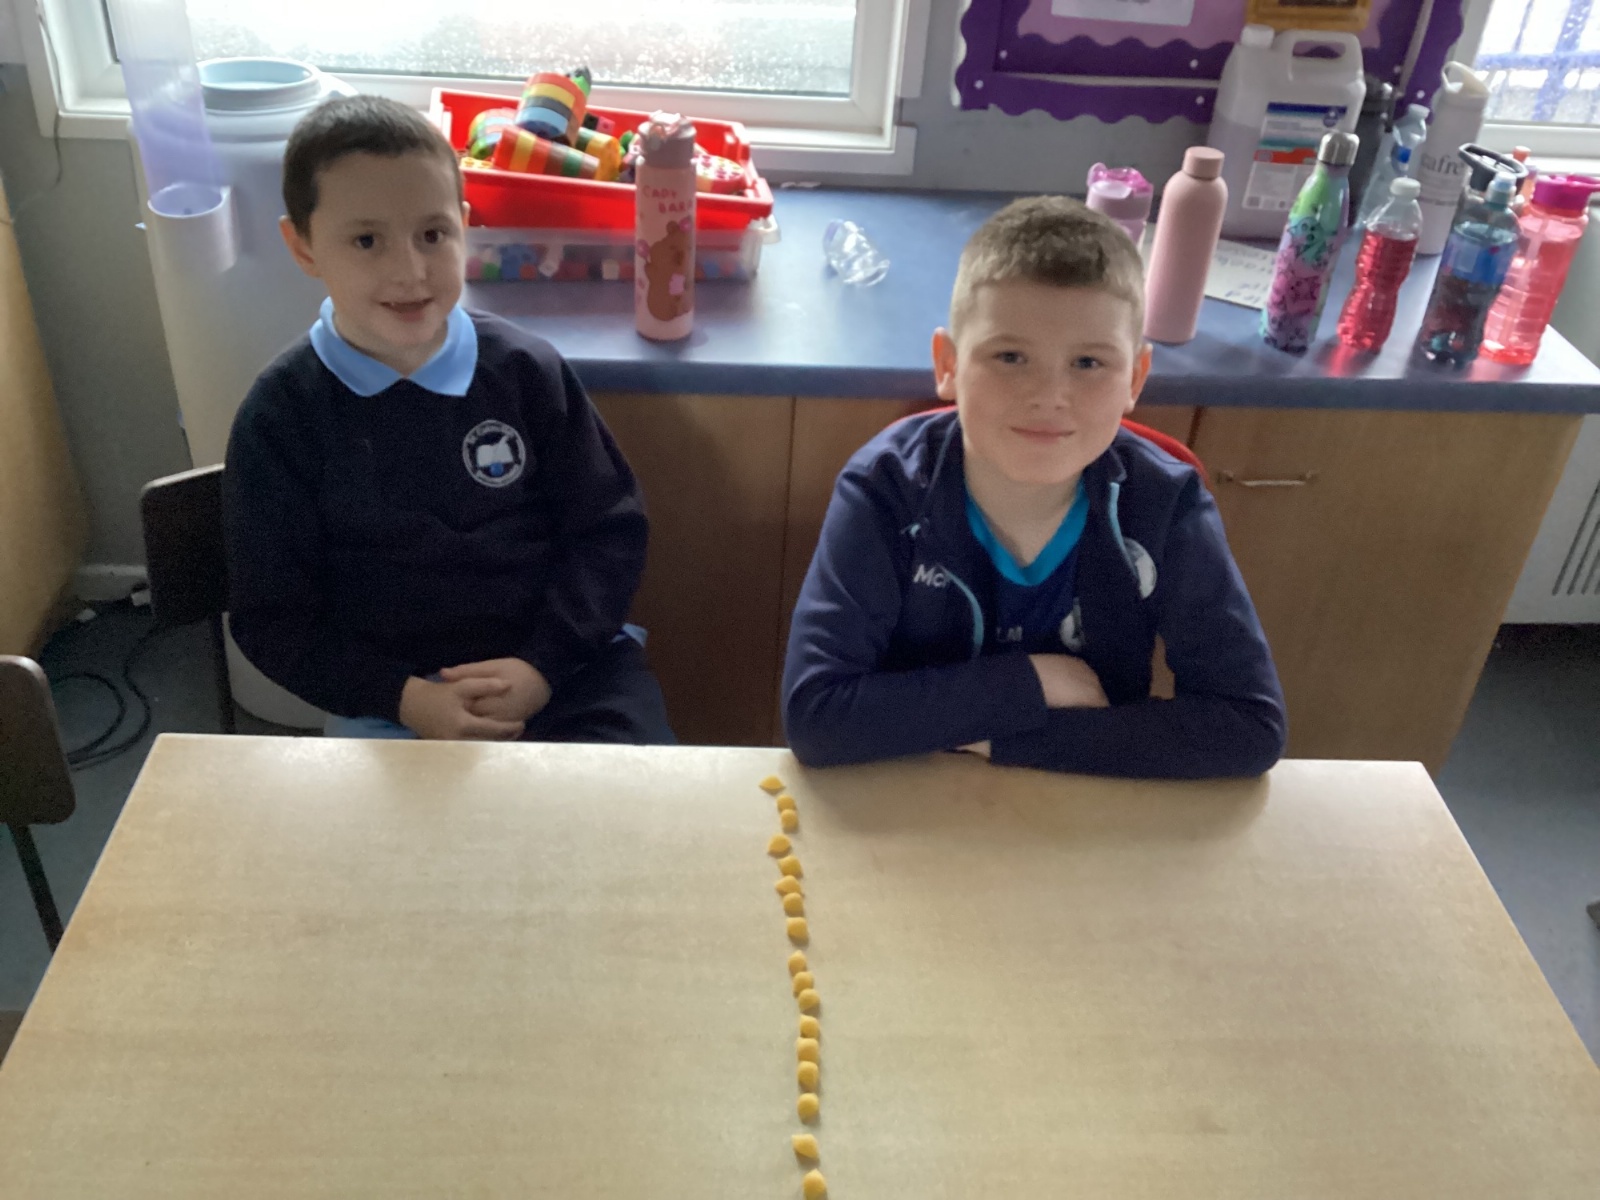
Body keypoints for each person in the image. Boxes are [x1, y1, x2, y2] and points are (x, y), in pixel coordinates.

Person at [782, 196, 1284, 778]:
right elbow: (816, 717)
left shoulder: (1165, 504)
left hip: (1084, 794)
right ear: (948, 365)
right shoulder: (886, 489)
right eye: (1011, 356)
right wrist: (1035, 681)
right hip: (909, 800)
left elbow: (1249, 727)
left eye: (1088, 363)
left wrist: (1004, 739)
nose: (1049, 396)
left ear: (1135, 378)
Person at [223, 95, 673, 744]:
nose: (409, 272)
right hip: (392, 703)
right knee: (399, 818)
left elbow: (610, 532)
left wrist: (541, 666)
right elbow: (272, 619)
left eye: (432, 235)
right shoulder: (280, 415)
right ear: (304, 247)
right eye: (366, 241)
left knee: (635, 799)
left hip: (569, 673)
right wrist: (405, 699)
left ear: (464, 226)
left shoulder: (527, 372)